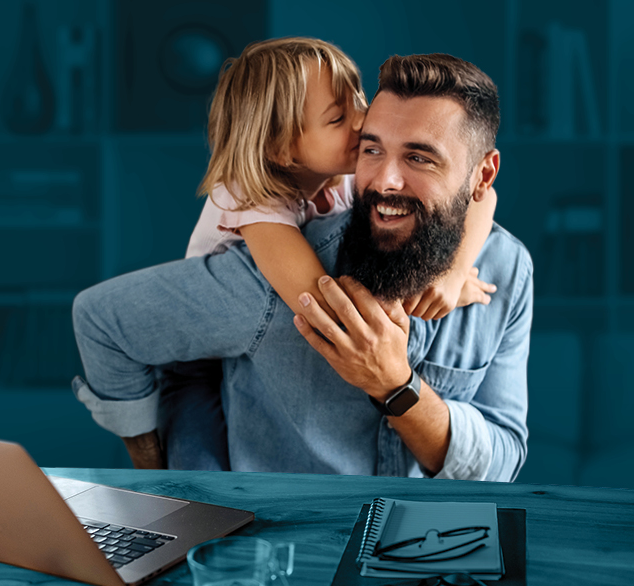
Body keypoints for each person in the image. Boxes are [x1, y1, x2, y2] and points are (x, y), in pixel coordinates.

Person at [72, 52, 531, 480]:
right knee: (195, 482)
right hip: (287, 544)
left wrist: (449, 275)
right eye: (372, 149)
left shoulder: (506, 268)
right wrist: (145, 459)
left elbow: (504, 459)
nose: (385, 179)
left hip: (436, 548)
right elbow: (323, 307)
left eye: (419, 157)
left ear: (482, 173)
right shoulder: (266, 240)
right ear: (283, 149)